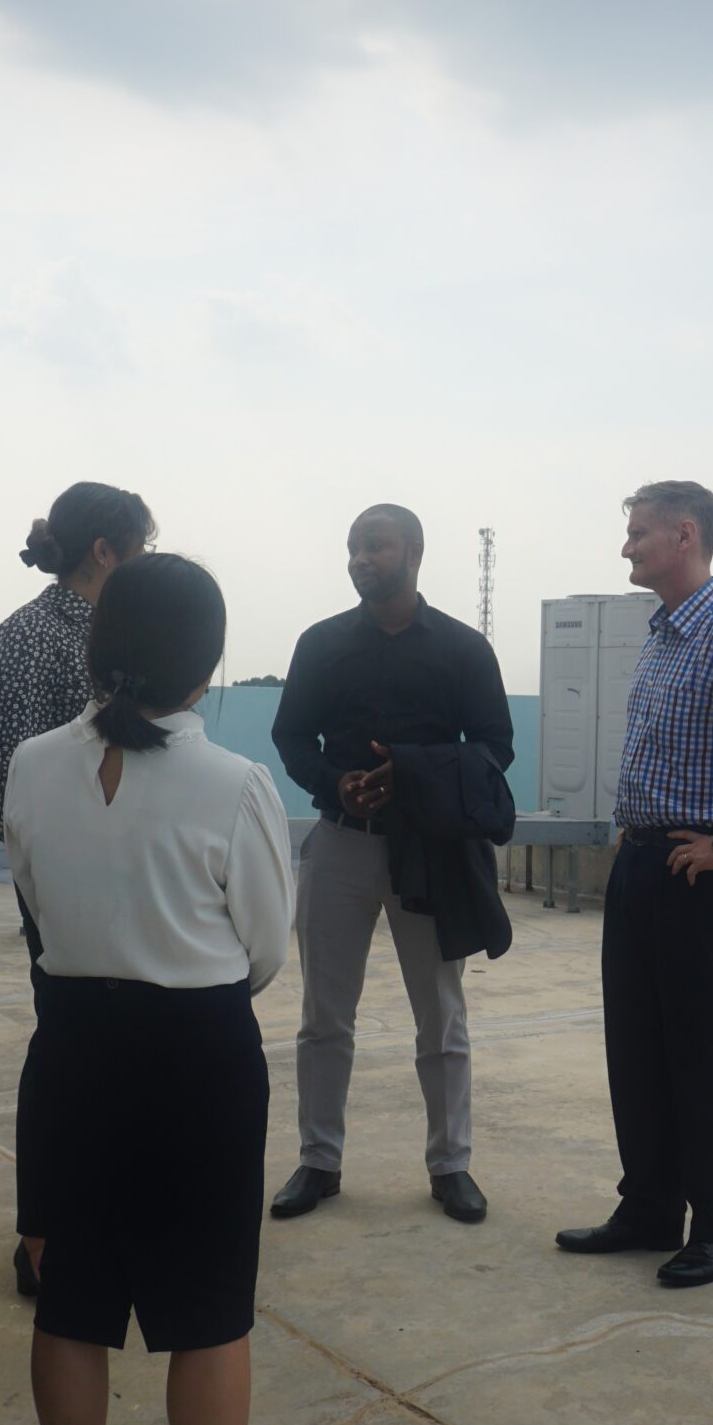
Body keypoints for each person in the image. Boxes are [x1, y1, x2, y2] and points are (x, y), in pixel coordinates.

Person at [3, 553, 295, 1425]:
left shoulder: (33, 764)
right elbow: (264, 948)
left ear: (97, 647)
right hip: (196, 1056)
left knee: (70, 1301)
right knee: (208, 1307)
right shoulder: (235, 784)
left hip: (71, 1047)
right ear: (207, 663)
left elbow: (33, 896)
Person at [555, 481, 713, 1288]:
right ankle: (650, 1208)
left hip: (696, 873)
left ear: (685, 535)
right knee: (635, 1045)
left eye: (638, 533)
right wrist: (633, 829)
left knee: (696, 1053)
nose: (627, 546)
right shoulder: (665, 633)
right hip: (645, 862)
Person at [267, 504, 513, 1225]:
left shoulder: (463, 649)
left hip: (429, 850)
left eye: (376, 546)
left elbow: (494, 747)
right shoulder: (320, 644)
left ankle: (451, 1164)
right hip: (340, 840)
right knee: (323, 1015)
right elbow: (291, 736)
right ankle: (319, 1160)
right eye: (353, 547)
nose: (360, 558)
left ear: (414, 552)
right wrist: (335, 782)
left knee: (440, 1015)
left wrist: (413, 773)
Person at [0, 480, 154, 1296]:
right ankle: (45, 1236)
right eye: (142, 548)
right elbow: (19, 785)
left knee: (114, 1052)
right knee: (66, 1048)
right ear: (105, 553)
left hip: (121, 873)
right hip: (65, 883)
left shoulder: (109, 635)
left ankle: (105, 1213)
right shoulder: (34, 636)